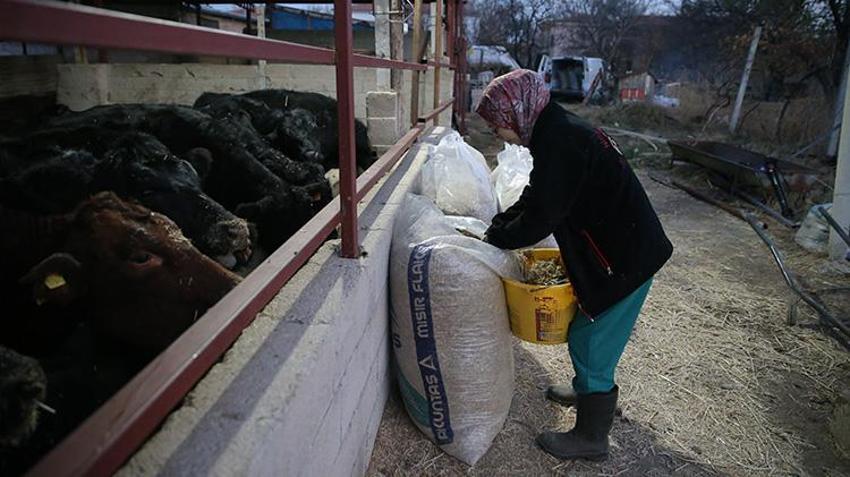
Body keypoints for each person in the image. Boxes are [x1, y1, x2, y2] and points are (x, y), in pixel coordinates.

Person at [475, 69, 673, 461]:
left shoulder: (562, 141)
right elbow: (538, 194)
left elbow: (541, 218)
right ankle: (587, 390)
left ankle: (591, 437)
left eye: (498, 126)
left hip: (625, 258)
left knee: (592, 340)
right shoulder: (555, 131)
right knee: (587, 328)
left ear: (517, 112)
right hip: (620, 247)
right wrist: (499, 224)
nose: (498, 135)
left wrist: (497, 240)